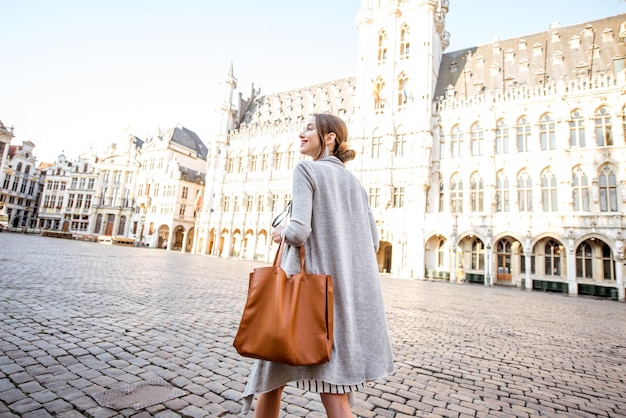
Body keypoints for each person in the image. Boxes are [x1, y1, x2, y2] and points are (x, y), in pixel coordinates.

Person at [240, 113, 394, 417]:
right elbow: (373, 242)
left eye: (310, 128)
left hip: (300, 303)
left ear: (329, 138)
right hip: (341, 304)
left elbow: (298, 232)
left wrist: (280, 232)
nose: (302, 133)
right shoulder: (356, 184)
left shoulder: (306, 171)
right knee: (335, 396)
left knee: (271, 382)